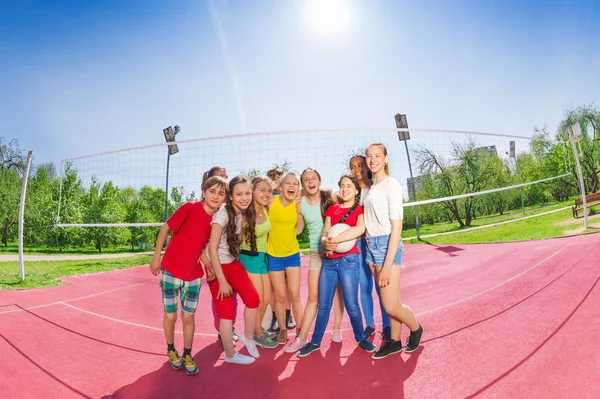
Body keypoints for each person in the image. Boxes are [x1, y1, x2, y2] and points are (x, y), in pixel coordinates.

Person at [149, 175, 228, 376]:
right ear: (203, 192)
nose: (216, 196)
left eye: (221, 193)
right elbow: (166, 228)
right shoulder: (190, 207)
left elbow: (199, 245)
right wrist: (156, 257)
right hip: (170, 271)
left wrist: (207, 263)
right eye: (212, 192)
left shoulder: (216, 220)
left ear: (224, 198)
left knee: (188, 316)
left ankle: (187, 354)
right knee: (170, 315)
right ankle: (171, 350)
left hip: (193, 276)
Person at [297, 174, 377, 357]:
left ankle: (361, 339)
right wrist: (327, 242)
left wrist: (337, 239)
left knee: (351, 304)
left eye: (349, 186)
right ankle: (315, 342)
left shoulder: (359, 210)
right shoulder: (332, 209)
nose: (345, 189)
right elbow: (325, 233)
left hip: (349, 262)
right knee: (323, 305)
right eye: (342, 185)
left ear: (357, 190)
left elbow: (359, 229)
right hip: (329, 262)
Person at [363, 143, 423, 359]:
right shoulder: (370, 189)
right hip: (371, 246)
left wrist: (387, 265)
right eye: (369, 156)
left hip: (387, 245)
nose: (372, 160)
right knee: (391, 301)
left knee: (390, 305)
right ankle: (395, 343)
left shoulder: (392, 185)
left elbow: (397, 226)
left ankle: (416, 329)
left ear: (386, 158)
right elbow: (365, 223)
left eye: (377, 155)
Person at [284, 168, 344, 353]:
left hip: (335, 251)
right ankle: (302, 338)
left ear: (319, 180)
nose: (310, 182)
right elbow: (299, 228)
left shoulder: (330, 197)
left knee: (336, 293)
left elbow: (344, 217)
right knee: (312, 297)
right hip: (316, 254)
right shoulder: (299, 203)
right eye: (306, 180)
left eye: (314, 178)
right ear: (303, 184)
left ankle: (336, 328)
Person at [207, 176, 262, 365]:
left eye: (247, 193)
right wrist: (222, 280)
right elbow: (212, 248)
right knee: (227, 313)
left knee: (253, 299)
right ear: (230, 196)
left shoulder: (240, 214)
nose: (244, 197)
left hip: (232, 263)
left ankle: (248, 337)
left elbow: (234, 243)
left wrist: (242, 230)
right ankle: (230, 355)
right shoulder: (222, 214)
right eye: (239, 194)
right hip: (218, 268)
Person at [350, 155, 392, 341]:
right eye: (353, 166)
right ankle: (370, 324)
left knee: (380, 287)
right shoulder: (351, 191)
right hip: (358, 244)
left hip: (375, 243)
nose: (357, 169)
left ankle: (388, 325)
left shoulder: (377, 188)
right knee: (364, 287)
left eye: (360, 165)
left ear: (367, 166)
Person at [202, 166, 240, 345]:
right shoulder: (207, 207)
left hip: (230, 258)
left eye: (226, 177)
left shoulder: (229, 207)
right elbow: (198, 239)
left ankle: (229, 326)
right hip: (212, 259)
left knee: (233, 295)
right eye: (220, 177)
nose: (225, 180)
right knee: (220, 296)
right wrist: (207, 262)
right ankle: (222, 330)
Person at [239, 176, 279, 349]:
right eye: (262, 190)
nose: (267, 193)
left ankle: (257, 329)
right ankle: (257, 335)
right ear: (252, 191)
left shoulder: (265, 208)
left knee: (268, 298)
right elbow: (235, 239)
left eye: (269, 190)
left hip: (263, 258)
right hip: (249, 258)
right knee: (258, 300)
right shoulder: (244, 214)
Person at [267, 172, 304, 345]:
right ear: (280, 187)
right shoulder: (271, 201)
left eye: (295, 183)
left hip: (292, 254)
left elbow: (299, 227)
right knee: (280, 295)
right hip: (273, 255)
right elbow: (256, 191)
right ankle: (282, 330)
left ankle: (300, 329)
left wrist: (293, 233)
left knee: (295, 293)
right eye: (287, 183)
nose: (291, 186)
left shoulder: (297, 204)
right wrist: (274, 185)